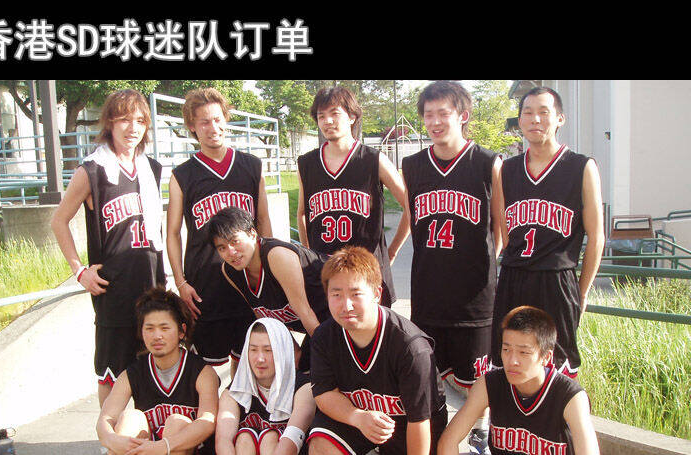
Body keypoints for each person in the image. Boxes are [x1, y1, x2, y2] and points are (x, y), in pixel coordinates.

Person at [402, 80, 504, 454]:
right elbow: (410, 219)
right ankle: (437, 438)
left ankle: (479, 433)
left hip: (475, 299)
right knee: (427, 377)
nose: (434, 122)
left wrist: (486, 273)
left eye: (442, 113)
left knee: (478, 380)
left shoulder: (488, 162)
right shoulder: (412, 165)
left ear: (462, 115)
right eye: (428, 115)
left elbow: (501, 229)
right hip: (428, 294)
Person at [51, 89, 166, 407]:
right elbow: (59, 221)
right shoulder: (92, 170)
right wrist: (79, 271)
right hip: (113, 290)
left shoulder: (152, 168)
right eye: (125, 119)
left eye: (140, 120)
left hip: (152, 284)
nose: (133, 127)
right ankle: (110, 433)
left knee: (154, 369)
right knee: (111, 374)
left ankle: (149, 431)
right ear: (109, 123)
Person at [491, 87, 604, 378]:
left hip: (556, 280)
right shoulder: (507, 169)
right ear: (520, 120)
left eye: (544, 112)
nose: (535, 119)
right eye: (528, 113)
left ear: (560, 119)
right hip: (514, 277)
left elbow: (596, 237)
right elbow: (506, 230)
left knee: (558, 370)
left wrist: (582, 291)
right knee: (510, 365)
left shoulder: (581, 167)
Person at [166, 87, 272, 371]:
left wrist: (268, 271)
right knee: (205, 368)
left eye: (217, 119)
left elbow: (263, 221)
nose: (213, 128)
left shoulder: (251, 166)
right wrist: (180, 282)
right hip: (205, 285)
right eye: (204, 122)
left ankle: (238, 403)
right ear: (192, 127)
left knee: (247, 361)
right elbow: (173, 233)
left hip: (247, 281)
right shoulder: (182, 175)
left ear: (226, 119)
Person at [307, 246, 447, 455]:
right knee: (321, 445)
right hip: (359, 417)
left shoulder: (411, 347)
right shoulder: (324, 336)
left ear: (376, 294)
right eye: (336, 294)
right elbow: (324, 393)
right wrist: (357, 417)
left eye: (356, 294)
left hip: (410, 425)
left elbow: (420, 420)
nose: (346, 305)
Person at [296, 86, 409, 308]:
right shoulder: (306, 164)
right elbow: (302, 214)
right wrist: (308, 255)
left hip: (366, 272)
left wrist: (392, 250)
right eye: (321, 116)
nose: (328, 121)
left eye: (334, 113)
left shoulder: (373, 159)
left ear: (352, 116)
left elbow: (411, 206)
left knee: (372, 329)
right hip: (325, 270)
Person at [438, 306, 600, 455]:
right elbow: (449, 440)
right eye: (506, 349)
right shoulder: (489, 383)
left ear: (546, 357)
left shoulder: (570, 396)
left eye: (524, 353)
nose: (512, 360)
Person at [96, 287, 220, 455]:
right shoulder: (132, 373)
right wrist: (113, 440)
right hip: (147, 450)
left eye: (164, 328)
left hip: (188, 449)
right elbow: (105, 419)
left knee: (176, 423)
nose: (157, 336)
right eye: (149, 328)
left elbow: (208, 421)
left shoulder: (202, 372)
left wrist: (164, 446)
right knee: (130, 418)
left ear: (181, 331)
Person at [206, 206, 330, 372]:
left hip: (336, 311)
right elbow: (267, 320)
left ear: (252, 233)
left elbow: (306, 314)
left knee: (321, 369)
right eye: (222, 248)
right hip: (313, 322)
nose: (231, 252)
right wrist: (296, 354)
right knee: (300, 370)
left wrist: (329, 359)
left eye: (235, 241)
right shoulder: (230, 271)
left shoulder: (277, 256)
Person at [215, 318, 316, 455]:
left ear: (283, 351)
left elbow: (291, 440)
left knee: (270, 438)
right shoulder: (233, 392)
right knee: (245, 437)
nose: (260, 359)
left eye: (268, 350)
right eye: (253, 350)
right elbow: (223, 440)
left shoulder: (304, 389)